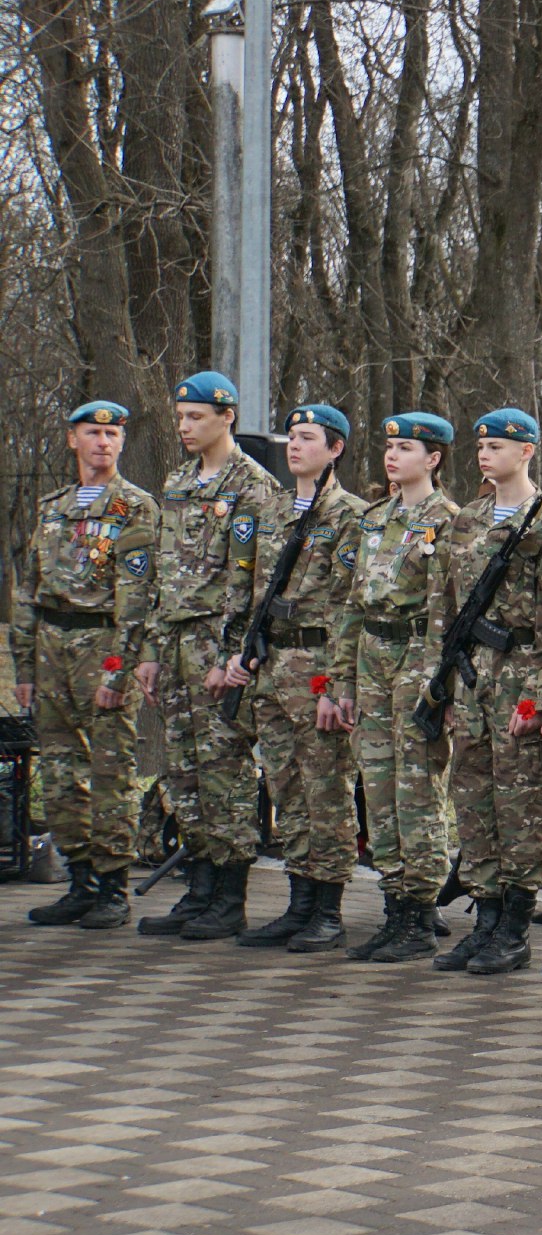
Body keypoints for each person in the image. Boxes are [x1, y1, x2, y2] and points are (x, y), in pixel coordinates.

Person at [136, 371, 289, 941]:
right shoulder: (177, 482)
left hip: (215, 646)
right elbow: (162, 572)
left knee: (223, 772)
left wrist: (234, 656)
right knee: (184, 773)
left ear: (227, 416)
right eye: (180, 416)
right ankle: (198, 890)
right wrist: (151, 650)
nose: (184, 426)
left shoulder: (251, 488)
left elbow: (255, 582)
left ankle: (229, 897)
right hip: (175, 642)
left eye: (195, 416)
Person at [433, 410, 542, 975]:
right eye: (481, 446)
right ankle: (485, 918)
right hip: (469, 676)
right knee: (471, 798)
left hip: (519, 675)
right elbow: (443, 606)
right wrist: (438, 683)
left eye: (497, 446)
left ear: (528, 451)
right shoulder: (465, 519)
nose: (485, 455)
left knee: (521, 804)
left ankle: (514, 925)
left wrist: (537, 699)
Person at [230, 405, 368, 953]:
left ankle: (328, 908)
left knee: (326, 789)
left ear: (335, 449)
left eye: (307, 437)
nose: (294, 445)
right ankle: (298, 899)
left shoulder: (351, 516)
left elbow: (349, 606)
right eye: (291, 436)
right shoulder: (274, 510)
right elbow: (255, 592)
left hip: (317, 669)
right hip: (274, 668)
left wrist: (337, 683)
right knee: (285, 787)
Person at [16, 400, 158, 929]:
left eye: (112, 433)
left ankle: (113, 887)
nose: (103, 442)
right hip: (51, 647)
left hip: (101, 644)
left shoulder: (135, 508)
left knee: (110, 769)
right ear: (73, 439)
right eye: (92, 432)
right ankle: (79, 877)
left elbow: (137, 597)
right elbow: (28, 590)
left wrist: (118, 671)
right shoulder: (52, 507)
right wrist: (24, 668)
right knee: (58, 769)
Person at [329, 414, 462, 961]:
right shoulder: (374, 517)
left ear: (432, 459)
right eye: (389, 446)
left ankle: (420, 912)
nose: (392, 456)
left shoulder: (447, 520)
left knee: (416, 792)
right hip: (372, 660)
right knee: (378, 789)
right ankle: (395, 904)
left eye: (405, 448)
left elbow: (445, 609)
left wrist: (439, 686)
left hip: (416, 661)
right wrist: (343, 678)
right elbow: (352, 604)